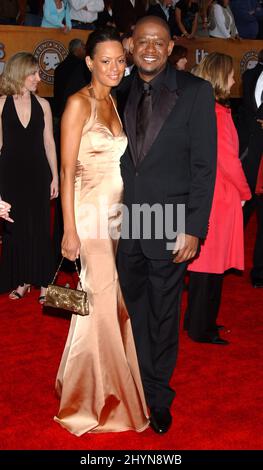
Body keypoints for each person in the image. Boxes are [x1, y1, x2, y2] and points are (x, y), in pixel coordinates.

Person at [116, 16, 217, 434]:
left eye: (160, 41)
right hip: (123, 223)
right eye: (144, 41)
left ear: (172, 45)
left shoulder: (195, 92)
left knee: (162, 313)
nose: (151, 47)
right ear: (130, 45)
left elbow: (204, 166)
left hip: (171, 222)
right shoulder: (114, 90)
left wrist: (194, 227)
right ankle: (135, 382)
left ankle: (158, 396)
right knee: (132, 309)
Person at [54, 26, 149, 435]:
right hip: (89, 217)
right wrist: (69, 230)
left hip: (116, 217)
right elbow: (66, 169)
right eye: (104, 61)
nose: (114, 67)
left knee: (102, 303)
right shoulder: (78, 104)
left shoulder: (113, 99)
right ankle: (94, 399)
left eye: (119, 61)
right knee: (102, 302)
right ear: (89, 62)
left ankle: (83, 385)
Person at [185, 53, 251, 344]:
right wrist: (246, 192)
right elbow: (228, 161)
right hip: (219, 198)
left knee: (208, 265)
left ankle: (198, 323)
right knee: (209, 266)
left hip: (211, 195)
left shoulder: (207, 109)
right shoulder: (217, 115)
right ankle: (201, 328)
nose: (235, 80)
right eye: (231, 74)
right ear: (219, 77)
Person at [0, 52, 59, 302]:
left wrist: (55, 176)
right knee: (16, 228)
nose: (38, 77)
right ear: (19, 73)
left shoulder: (44, 105)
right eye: (33, 73)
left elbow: (49, 143)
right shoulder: (1, 103)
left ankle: (44, 281)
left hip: (38, 174)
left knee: (40, 227)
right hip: (10, 174)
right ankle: (22, 280)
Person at [239, 49, 263, 287]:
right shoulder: (249, 76)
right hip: (247, 161)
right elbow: (243, 116)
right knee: (238, 217)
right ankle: (224, 261)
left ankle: (260, 272)